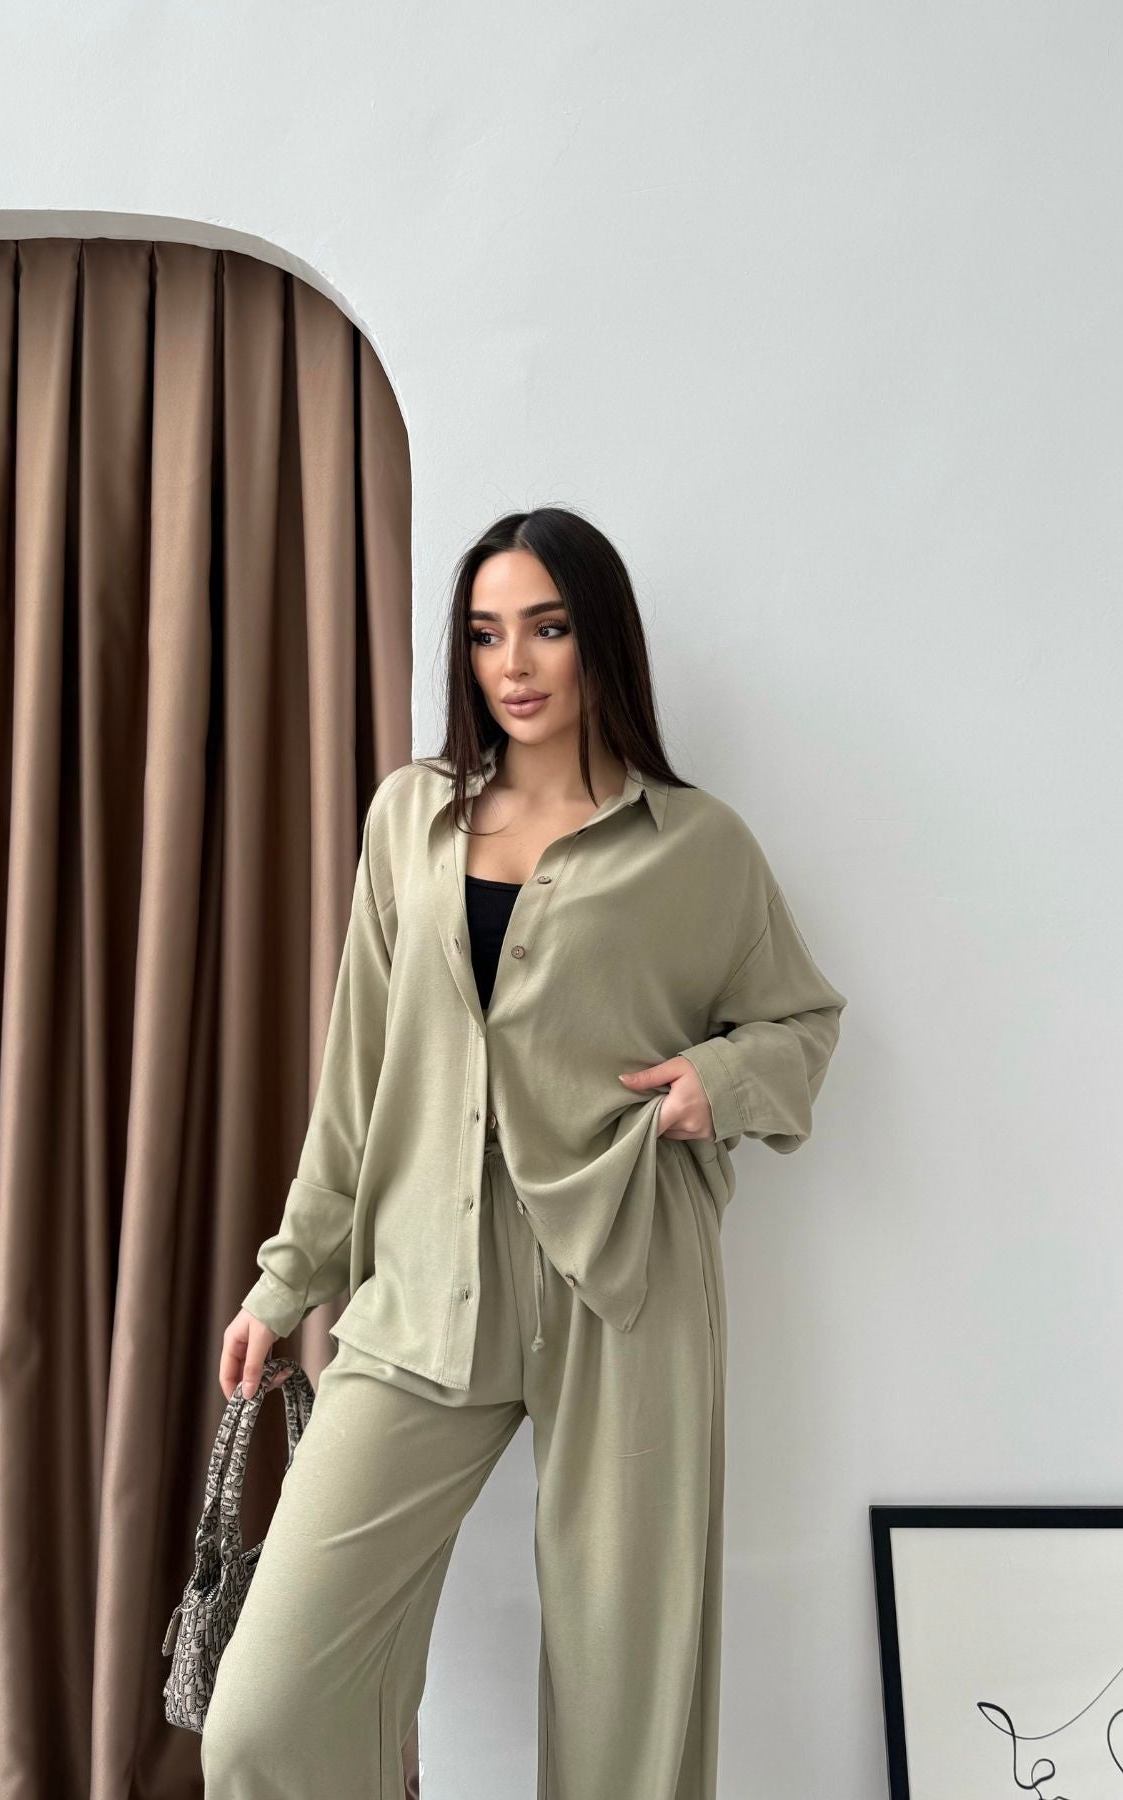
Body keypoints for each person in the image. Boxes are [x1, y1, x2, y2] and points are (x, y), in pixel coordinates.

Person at [201, 505, 848, 1799]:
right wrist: (288, 1281)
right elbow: (356, 1077)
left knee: (626, 1695)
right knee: (264, 1718)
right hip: (421, 1279)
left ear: (599, 638)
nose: (515, 663)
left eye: (546, 628)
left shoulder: (695, 845)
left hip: (625, 1276)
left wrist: (717, 1083)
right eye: (488, 633)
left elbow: (802, 1021)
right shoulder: (413, 819)